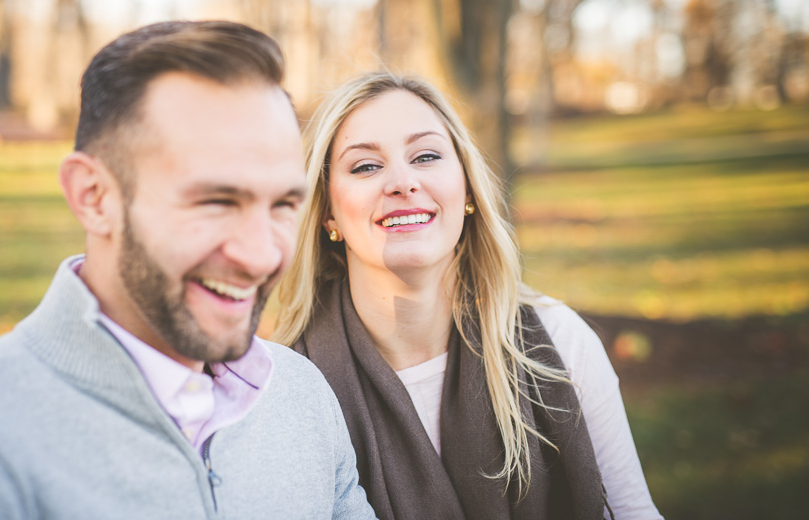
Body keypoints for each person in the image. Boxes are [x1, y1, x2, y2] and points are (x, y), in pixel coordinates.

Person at [0, 21, 376, 520]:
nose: (261, 256)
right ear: (94, 196)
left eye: (284, 204)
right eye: (216, 201)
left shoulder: (300, 395)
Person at [272, 72, 663, 520]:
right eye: (365, 166)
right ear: (327, 210)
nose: (402, 182)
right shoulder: (291, 389)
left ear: (468, 190)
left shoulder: (556, 342)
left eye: (426, 156)